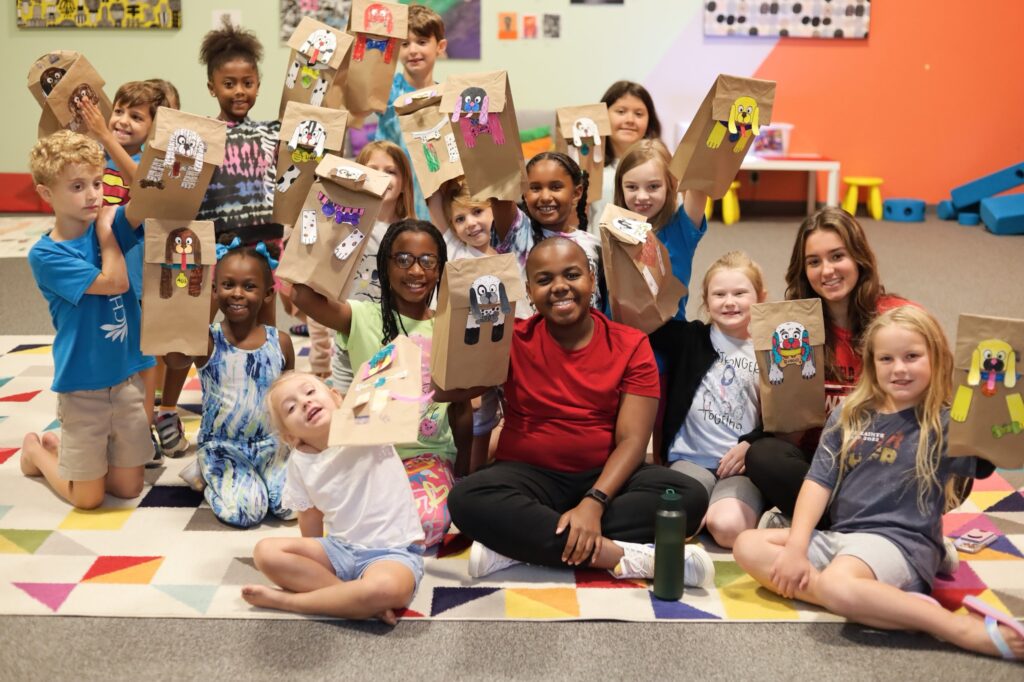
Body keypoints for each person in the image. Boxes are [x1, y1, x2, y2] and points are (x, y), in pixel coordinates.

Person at [732, 306, 1022, 661]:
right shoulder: (850, 413)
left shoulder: (945, 420)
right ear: (872, 363)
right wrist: (796, 546)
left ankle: (952, 627)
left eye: (912, 357)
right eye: (886, 358)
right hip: (844, 538)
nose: (899, 368)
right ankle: (884, 603)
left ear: (936, 358)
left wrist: (1003, 401)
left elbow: (996, 450)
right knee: (747, 545)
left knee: (837, 584)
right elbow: (818, 481)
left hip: (899, 542)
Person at [445, 238, 713, 587]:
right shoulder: (509, 338)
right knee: (465, 500)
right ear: (527, 292)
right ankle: (622, 557)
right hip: (528, 477)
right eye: (544, 280)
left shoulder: (630, 344)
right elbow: (447, 391)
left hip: (604, 478)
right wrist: (461, 330)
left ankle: (517, 545)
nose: (559, 287)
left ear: (591, 278)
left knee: (687, 498)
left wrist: (595, 502)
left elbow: (633, 441)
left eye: (571, 275)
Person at [291, 220, 462, 546]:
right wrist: (331, 221)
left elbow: (463, 407)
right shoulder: (360, 315)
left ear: (440, 271)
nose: (416, 271)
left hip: (426, 456)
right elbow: (301, 294)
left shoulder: (447, 326)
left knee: (426, 525)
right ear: (385, 264)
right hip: (365, 453)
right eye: (403, 259)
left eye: (427, 261)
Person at [158, 18, 283, 462]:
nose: (239, 92)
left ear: (259, 84)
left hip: (264, 254)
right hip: (213, 251)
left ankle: (264, 413)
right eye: (228, 83)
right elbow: (175, 192)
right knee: (190, 333)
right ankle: (167, 411)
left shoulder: (272, 133)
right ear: (212, 87)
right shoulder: (200, 138)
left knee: (264, 338)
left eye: (247, 83)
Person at [745, 207, 914, 524]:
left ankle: (823, 526)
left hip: (884, 457)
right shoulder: (792, 328)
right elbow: (789, 432)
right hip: (821, 466)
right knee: (763, 456)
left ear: (859, 259)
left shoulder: (897, 317)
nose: (827, 271)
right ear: (803, 269)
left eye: (837, 256)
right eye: (814, 261)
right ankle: (881, 527)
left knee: (957, 464)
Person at [20, 131, 154, 509]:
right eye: (78, 186)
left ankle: (68, 451)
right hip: (83, 387)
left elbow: (150, 194)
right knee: (88, 499)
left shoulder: (105, 222)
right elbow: (115, 281)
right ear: (47, 194)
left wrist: (113, 148)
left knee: (128, 489)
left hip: (125, 377)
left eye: (97, 183)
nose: (94, 195)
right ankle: (37, 451)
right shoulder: (45, 255)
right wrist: (109, 235)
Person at [242, 372, 424, 625]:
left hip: (391, 553)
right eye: (291, 407)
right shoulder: (299, 462)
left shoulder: (368, 426)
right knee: (265, 552)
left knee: (385, 589)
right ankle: (350, 598)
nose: (305, 403)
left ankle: (289, 602)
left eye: (310, 392)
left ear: (336, 397)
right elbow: (310, 515)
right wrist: (311, 560)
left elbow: (397, 403)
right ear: (290, 436)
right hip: (339, 550)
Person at [79, 79, 178, 468]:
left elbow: (148, 188)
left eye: (136, 117)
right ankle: (102, 423)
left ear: (153, 128)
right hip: (99, 272)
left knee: (145, 353)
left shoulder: (154, 161)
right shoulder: (93, 154)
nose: (122, 121)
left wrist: (106, 136)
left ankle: (144, 424)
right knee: (104, 345)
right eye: (118, 111)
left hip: (140, 274)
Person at [165, 237, 295, 527]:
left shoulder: (281, 342)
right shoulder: (208, 341)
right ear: (214, 290)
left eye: (249, 287)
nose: (237, 294)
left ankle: (258, 479)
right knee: (248, 512)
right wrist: (197, 308)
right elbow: (174, 361)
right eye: (227, 285)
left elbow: (289, 398)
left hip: (270, 444)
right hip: (224, 447)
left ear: (268, 294)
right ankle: (208, 472)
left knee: (291, 506)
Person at [651, 252, 767, 549]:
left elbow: (782, 419)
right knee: (669, 519)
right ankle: (703, 510)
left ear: (761, 296)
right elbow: (643, 320)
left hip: (738, 468)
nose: (730, 302)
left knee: (727, 528)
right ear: (705, 300)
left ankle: (721, 511)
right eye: (719, 294)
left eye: (740, 293)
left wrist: (752, 444)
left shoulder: (769, 351)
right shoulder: (690, 338)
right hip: (690, 461)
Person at [327, 140, 416, 393]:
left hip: (398, 333)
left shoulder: (412, 232)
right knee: (347, 399)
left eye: (390, 171)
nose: (381, 177)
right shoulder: (345, 225)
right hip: (350, 329)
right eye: (373, 169)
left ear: (403, 183)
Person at [495, 152, 605, 312]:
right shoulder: (519, 235)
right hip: (535, 336)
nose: (545, 196)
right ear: (524, 193)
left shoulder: (594, 245)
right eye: (535, 188)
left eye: (555, 187)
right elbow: (494, 177)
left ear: (576, 193)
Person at [614, 139, 709, 320]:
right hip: (620, 335)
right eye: (632, 187)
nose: (642, 196)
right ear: (621, 187)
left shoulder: (680, 230)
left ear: (671, 185)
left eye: (653, 186)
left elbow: (700, 183)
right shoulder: (614, 228)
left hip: (666, 337)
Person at [372, 3, 447, 220]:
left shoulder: (445, 99)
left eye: (422, 42)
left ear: (440, 47)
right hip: (391, 199)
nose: (413, 50)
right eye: (404, 44)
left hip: (432, 201)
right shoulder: (387, 90)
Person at [589, 80, 663, 228]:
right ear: (603, 115)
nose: (630, 120)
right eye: (621, 112)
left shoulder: (661, 165)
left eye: (639, 114)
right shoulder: (588, 165)